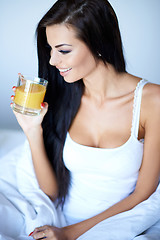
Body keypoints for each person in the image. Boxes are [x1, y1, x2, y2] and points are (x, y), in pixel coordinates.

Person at [11, 0, 160, 239]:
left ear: (98, 43)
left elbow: (143, 193)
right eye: (50, 49)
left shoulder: (152, 101)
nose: (52, 61)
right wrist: (32, 130)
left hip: (114, 226)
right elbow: (51, 192)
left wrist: (70, 233)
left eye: (64, 50)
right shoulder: (64, 95)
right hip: (57, 221)